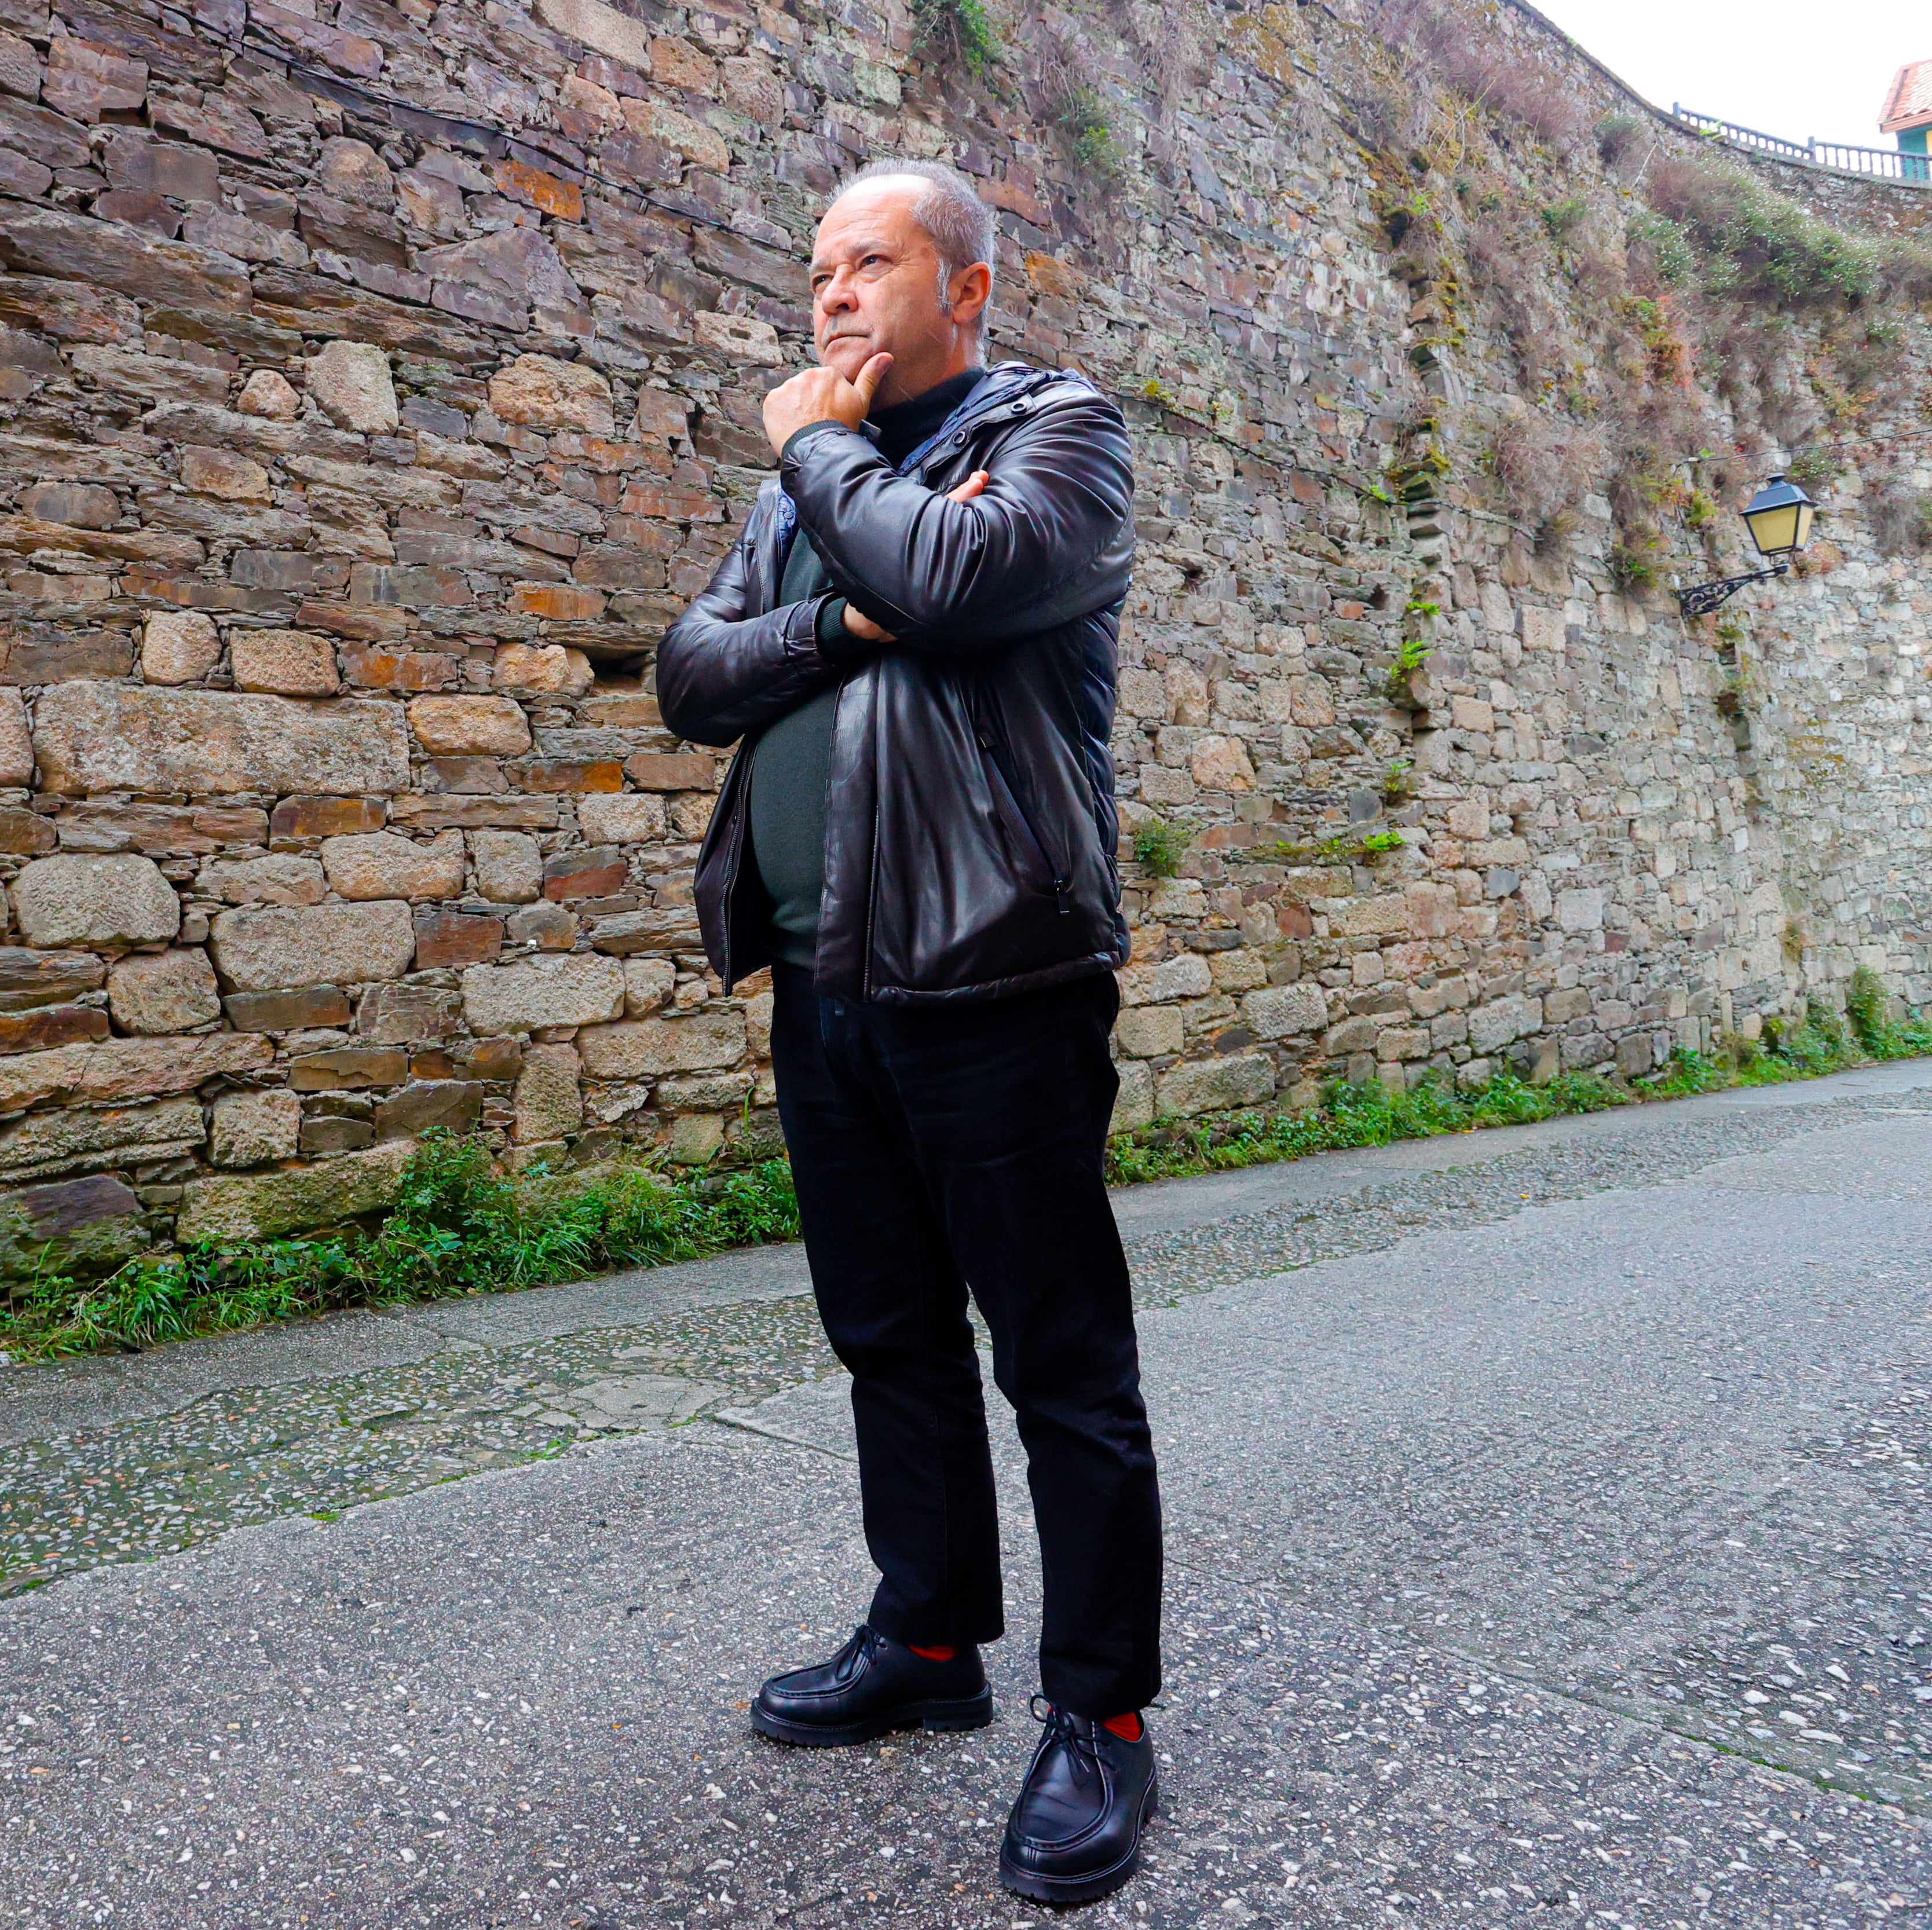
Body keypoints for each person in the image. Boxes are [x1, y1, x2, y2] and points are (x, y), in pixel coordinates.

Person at [655, 158, 1161, 1906]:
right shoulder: (816, 492)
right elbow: (690, 675)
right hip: (825, 979)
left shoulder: (1060, 430)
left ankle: (1103, 1718)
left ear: (969, 284)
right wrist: (842, 608)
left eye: (870, 262)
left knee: (1061, 1365)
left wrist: (820, 454)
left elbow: (959, 575)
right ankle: (932, 1643)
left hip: (999, 978)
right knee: (889, 1339)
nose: (833, 296)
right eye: (817, 270)